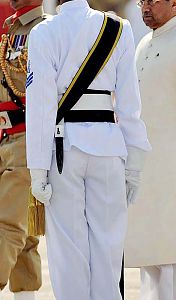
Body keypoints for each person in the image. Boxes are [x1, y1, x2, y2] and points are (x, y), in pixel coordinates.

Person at [25, 0, 151, 299]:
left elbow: (40, 106)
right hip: (108, 144)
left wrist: (37, 171)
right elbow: (131, 104)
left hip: (63, 147)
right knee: (108, 246)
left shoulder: (44, 32)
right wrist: (134, 163)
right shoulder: (119, 28)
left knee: (69, 249)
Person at [124, 0, 176, 299]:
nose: (145, 7)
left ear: (175, 2)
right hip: (147, 171)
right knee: (151, 255)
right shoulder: (144, 43)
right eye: (142, 1)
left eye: (153, 0)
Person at [0, 1, 47, 299]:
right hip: (6, 137)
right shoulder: (10, 31)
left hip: (27, 139)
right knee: (25, 231)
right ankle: (25, 296)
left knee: (8, 223)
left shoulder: (44, 30)